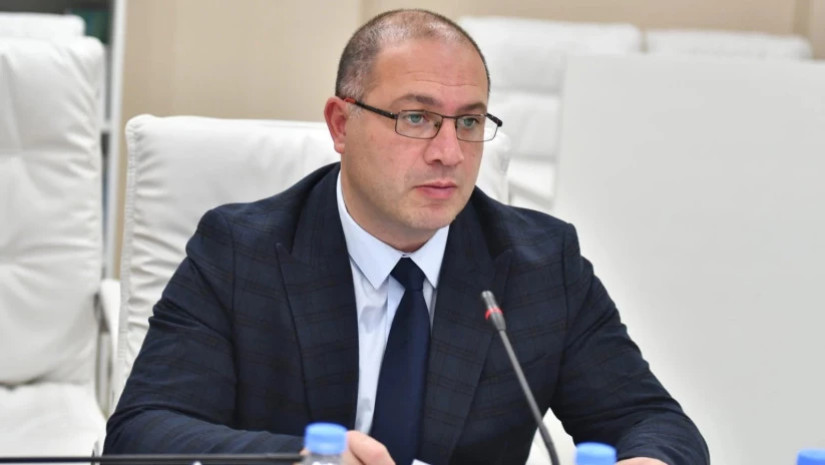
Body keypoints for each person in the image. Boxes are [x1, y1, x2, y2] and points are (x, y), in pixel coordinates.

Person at [104, 9, 708, 465]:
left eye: (469, 121)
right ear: (341, 124)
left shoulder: (540, 264)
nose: (449, 152)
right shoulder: (241, 252)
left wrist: (647, 460)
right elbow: (141, 431)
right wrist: (300, 459)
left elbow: (654, 423)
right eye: (416, 118)